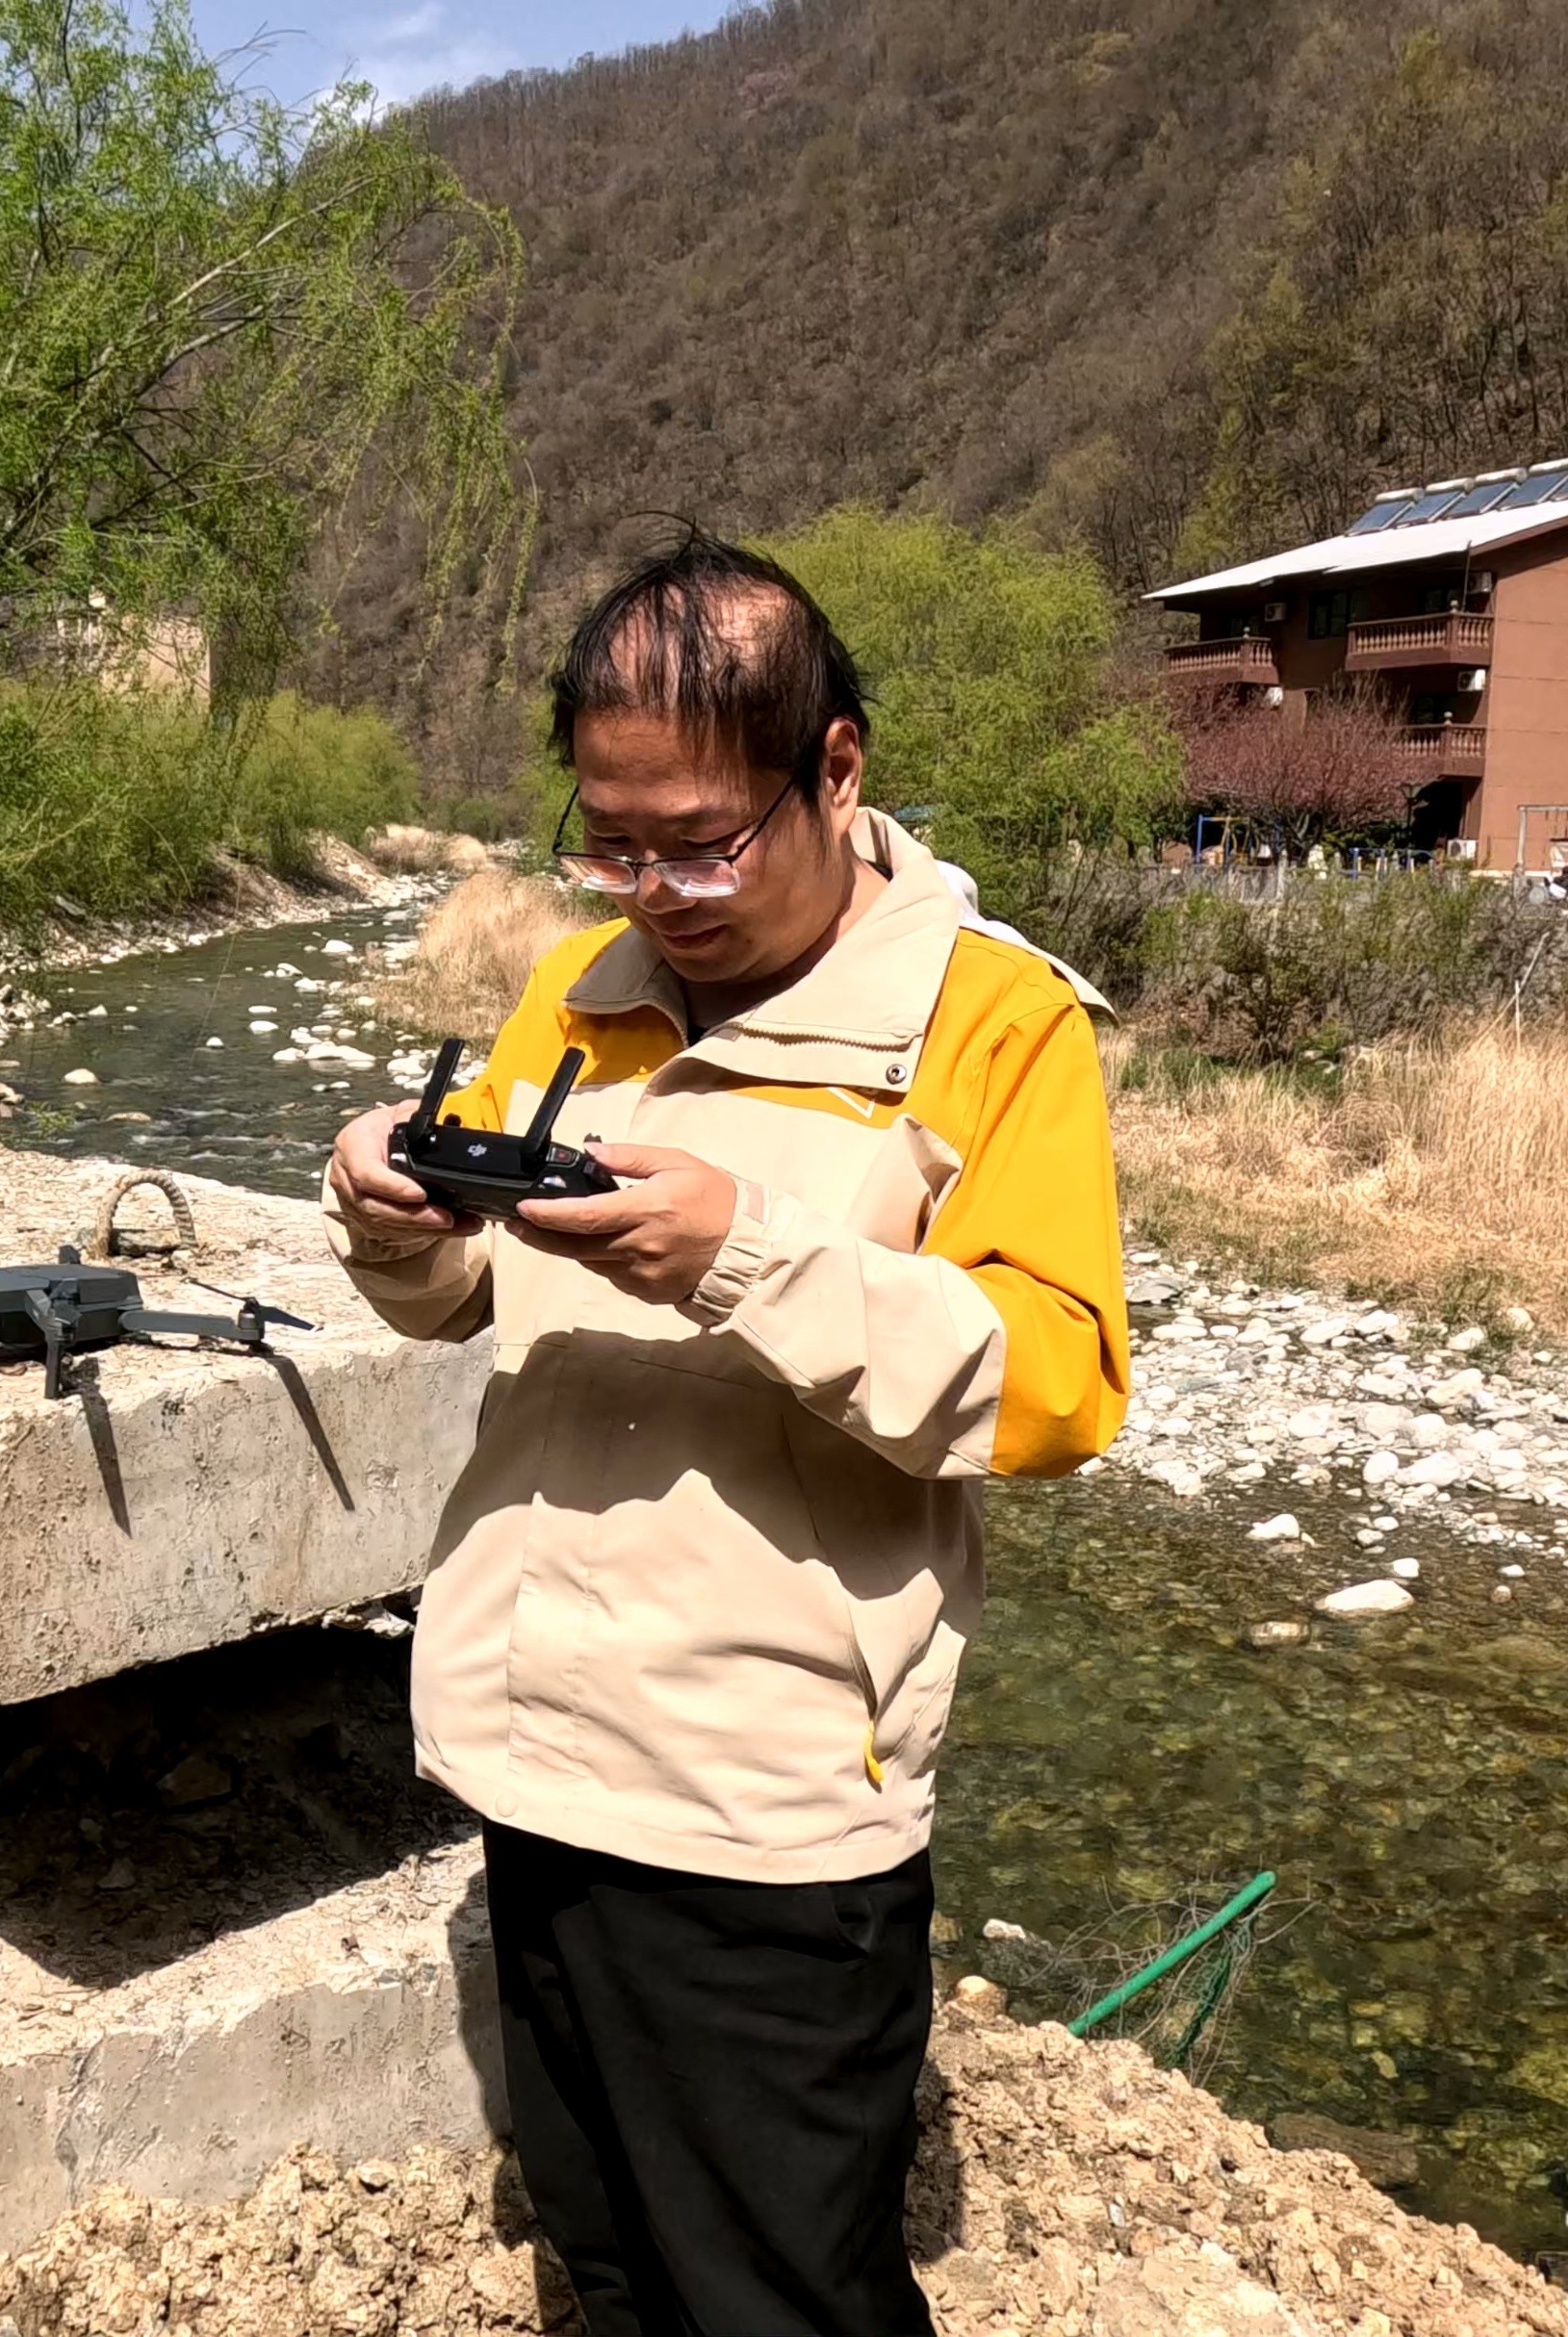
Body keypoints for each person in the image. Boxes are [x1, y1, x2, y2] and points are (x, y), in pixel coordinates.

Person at [321, 527, 1129, 2337]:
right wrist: (397, 1223)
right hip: (530, 1747)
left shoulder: (992, 1024)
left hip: (758, 1802)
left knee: (774, 2295)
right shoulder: (579, 993)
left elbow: (1060, 1384)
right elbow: (464, 1312)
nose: (653, 889)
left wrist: (742, 1258)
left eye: (701, 839)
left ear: (832, 770)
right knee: (600, 2259)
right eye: (609, 842)